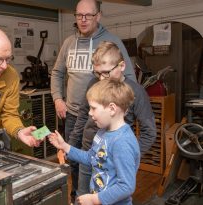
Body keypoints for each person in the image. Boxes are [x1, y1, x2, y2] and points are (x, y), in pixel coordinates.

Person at [50, 0, 137, 200]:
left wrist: (118, 115)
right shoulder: (68, 43)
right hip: (75, 114)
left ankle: (96, 196)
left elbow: (129, 80)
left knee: (102, 161)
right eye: (79, 15)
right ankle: (78, 197)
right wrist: (57, 99)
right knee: (79, 160)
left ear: (98, 16)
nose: (83, 19)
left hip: (105, 117)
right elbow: (57, 73)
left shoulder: (112, 41)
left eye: (88, 15)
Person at [70, 41, 157, 197]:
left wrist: (129, 156)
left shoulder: (136, 91)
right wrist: (71, 145)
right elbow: (83, 116)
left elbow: (149, 132)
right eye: (97, 73)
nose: (102, 78)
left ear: (121, 66)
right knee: (82, 196)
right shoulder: (93, 83)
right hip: (88, 152)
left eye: (106, 72)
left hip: (111, 162)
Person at [49, 79, 140, 205]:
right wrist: (65, 146)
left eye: (93, 108)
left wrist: (95, 199)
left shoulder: (122, 142)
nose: (90, 113)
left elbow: (126, 186)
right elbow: (91, 157)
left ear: (112, 109)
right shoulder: (102, 132)